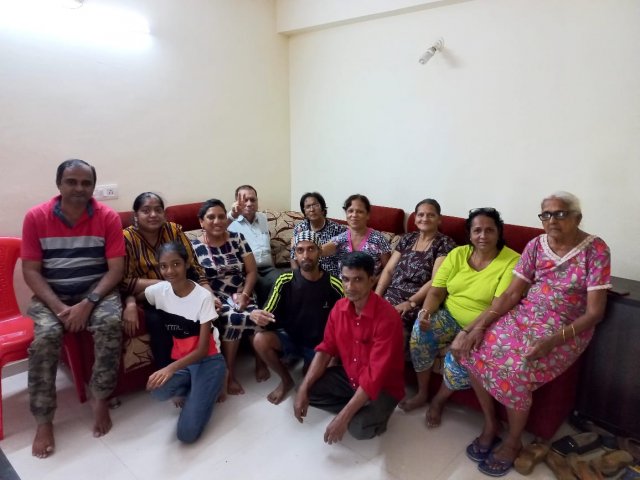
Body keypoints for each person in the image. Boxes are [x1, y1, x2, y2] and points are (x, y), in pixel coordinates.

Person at [455, 192, 610, 477]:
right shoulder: (536, 245)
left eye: (560, 214)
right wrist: (479, 327)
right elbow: (512, 293)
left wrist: (551, 341)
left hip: (567, 327)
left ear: (577, 217)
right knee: (473, 349)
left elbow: (594, 313)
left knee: (518, 368)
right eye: (546, 215)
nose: (552, 220)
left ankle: (514, 441)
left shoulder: (596, 250)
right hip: (526, 315)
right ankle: (491, 423)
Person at [21, 159, 125, 458]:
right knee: (44, 339)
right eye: (72, 182)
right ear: (59, 184)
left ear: (93, 186)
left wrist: (87, 303)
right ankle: (43, 420)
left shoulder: (107, 217)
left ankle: (100, 397)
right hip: (51, 296)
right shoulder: (36, 217)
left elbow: (115, 270)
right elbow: (30, 271)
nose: (79, 188)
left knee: (110, 324)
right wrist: (60, 309)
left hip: (96, 292)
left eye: (86, 183)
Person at [401, 208, 520, 425]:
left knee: (461, 356)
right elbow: (436, 291)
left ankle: (439, 400)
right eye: (477, 230)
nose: (483, 236)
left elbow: (498, 305)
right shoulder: (458, 254)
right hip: (450, 314)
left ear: (499, 232)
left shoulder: (512, 260)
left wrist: (467, 332)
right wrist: (425, 313)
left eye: (489, 230)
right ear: (470, 234)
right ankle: (422, 392)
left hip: (484, 324)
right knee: (420, 331)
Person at [293, 252, 404, 443]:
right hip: (351, 376)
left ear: (371, 280)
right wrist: (304, 388)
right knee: (303, 389)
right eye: (345, 279)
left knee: (358, 429)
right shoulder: (339, 308)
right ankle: (357, 406)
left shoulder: (388, 318)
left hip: (382, 386)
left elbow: (374, 376)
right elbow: (326, 349)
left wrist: (343, 418)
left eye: (358, 280)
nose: (350, 287)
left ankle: (367, 411)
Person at [144, 242, 226, 443]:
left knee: (186, 435)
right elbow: (136, 295)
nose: (170, 271)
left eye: (176, 264)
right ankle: (198, 388)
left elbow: (202, 350)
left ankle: (217, 379)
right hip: (184, 362)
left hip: (207, 360)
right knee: (157, 390)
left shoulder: (203, 297)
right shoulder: (158, 291)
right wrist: (129, 304)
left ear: (186, 264)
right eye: (164, 266)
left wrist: (169, 368)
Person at [122, 192, 214, 368]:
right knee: (158, 322)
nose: (153, 215)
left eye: (158, 210)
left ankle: (205, 366)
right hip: (150, 297)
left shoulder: (173, 230)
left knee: (202, 311)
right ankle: (169, 374)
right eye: (146, 211)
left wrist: (208, 292)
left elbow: (193, 265)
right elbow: (124, 281)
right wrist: (162, 285)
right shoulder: (127, 238)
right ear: (136, 215)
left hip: (182, 288)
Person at [252, 231, 344, 404]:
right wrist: (258, 316)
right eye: (300, 250)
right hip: (291, 338)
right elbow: (268, 311)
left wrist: (334, 356)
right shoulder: (284, 280)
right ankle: (286, 380)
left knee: (312, 384)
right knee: (259, 339)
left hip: (319, 346)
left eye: (311, 249)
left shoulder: (334, 285)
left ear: (319, 251)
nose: (306, 255)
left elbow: (345, 324)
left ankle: (305, 363)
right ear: (295, 254)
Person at [191, 199, 266, 395]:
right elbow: (198, 279)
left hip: (242, 291)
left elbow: (252, 271)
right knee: (233, 318)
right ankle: (230, 373)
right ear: (201, 221)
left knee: (257, 315)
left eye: (221, 216)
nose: (217, 221)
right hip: (215, 296)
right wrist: (210, 297)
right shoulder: (194, 246)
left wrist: (246, 294)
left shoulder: (238, 238)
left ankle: (260, 361)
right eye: (211, 217)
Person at [375, 199, 456, 353]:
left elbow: (436, 280)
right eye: (421, 214)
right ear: (415, 218)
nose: (425, 218)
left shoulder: (444, 243)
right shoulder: (407, 238)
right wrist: (377, 296)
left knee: (391, 324)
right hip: (391, 294)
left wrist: (410, 303)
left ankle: (390, 362)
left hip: (419, 299)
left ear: (439, 219)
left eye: (430, 215)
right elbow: (389, 270)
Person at [228, 185, 283, 306]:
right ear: (236, 202)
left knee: (287, 279)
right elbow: (215, 231)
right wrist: (232, 215)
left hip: (268, 268)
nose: (249, 204)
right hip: (248, 271)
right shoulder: (230, 222)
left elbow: (266, 247)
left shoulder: (262, 218)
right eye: (245, 200)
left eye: (252, 200)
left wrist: (273, 267)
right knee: (269, 284)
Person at [322, 194, 391, 278]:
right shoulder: (340, 239)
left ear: (368, 215)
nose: (354, 215)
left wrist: (373, 283)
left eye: (360, 211)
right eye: (350, 211)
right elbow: (320, 251)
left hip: (371, 285)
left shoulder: (379, 239)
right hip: (343, 285)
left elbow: (388, 270)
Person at [290, 192, 346, 278]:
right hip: (306, 275)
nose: (312, 209)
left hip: (330, 276)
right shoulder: (299, 229)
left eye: (315, 205)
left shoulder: (337, 229)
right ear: (304, 211)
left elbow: (344, 259)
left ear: (322, 208)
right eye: (308, 206)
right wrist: (297, 278)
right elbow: (293, 257)